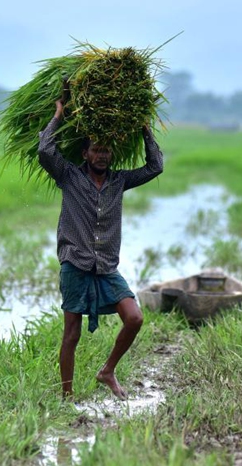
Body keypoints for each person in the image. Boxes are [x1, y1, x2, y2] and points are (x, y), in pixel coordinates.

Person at [38, 95, 164, 400]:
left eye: (106, 150)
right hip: (76, 263)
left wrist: (146, 130)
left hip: (106, 266)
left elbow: (155, 166)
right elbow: (45, 149)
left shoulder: (119, 181)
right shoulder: (69, 175)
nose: (102, 155)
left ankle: (107, 371)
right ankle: (66, 396)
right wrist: (58, 114)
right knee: (72, 334)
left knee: (134, 318)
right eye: (96, 149)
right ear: (86, 153)